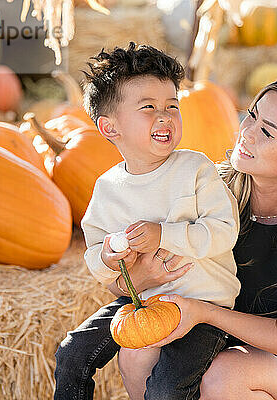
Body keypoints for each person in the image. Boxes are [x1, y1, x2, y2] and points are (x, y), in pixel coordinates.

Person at [118, 74, 277, 400]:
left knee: (225, 374)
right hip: (211, 337)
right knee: (137, 352)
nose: (246, 131)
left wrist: (203, 312)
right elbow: (119, 282)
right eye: (252, 114)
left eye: (267, 132)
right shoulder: (207, 192)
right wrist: (142, 273)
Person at [53, 42, 241, 400]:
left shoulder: (195, 168)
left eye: (173, 106)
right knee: (72, 353)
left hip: (202, 308)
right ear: (110, 127)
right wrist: (108, 257)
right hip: (141, 301)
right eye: (149, 108)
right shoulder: (108, 188)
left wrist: (163, 235)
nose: (165, 116)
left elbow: (223, 231)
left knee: (167, 388)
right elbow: (95, 253)